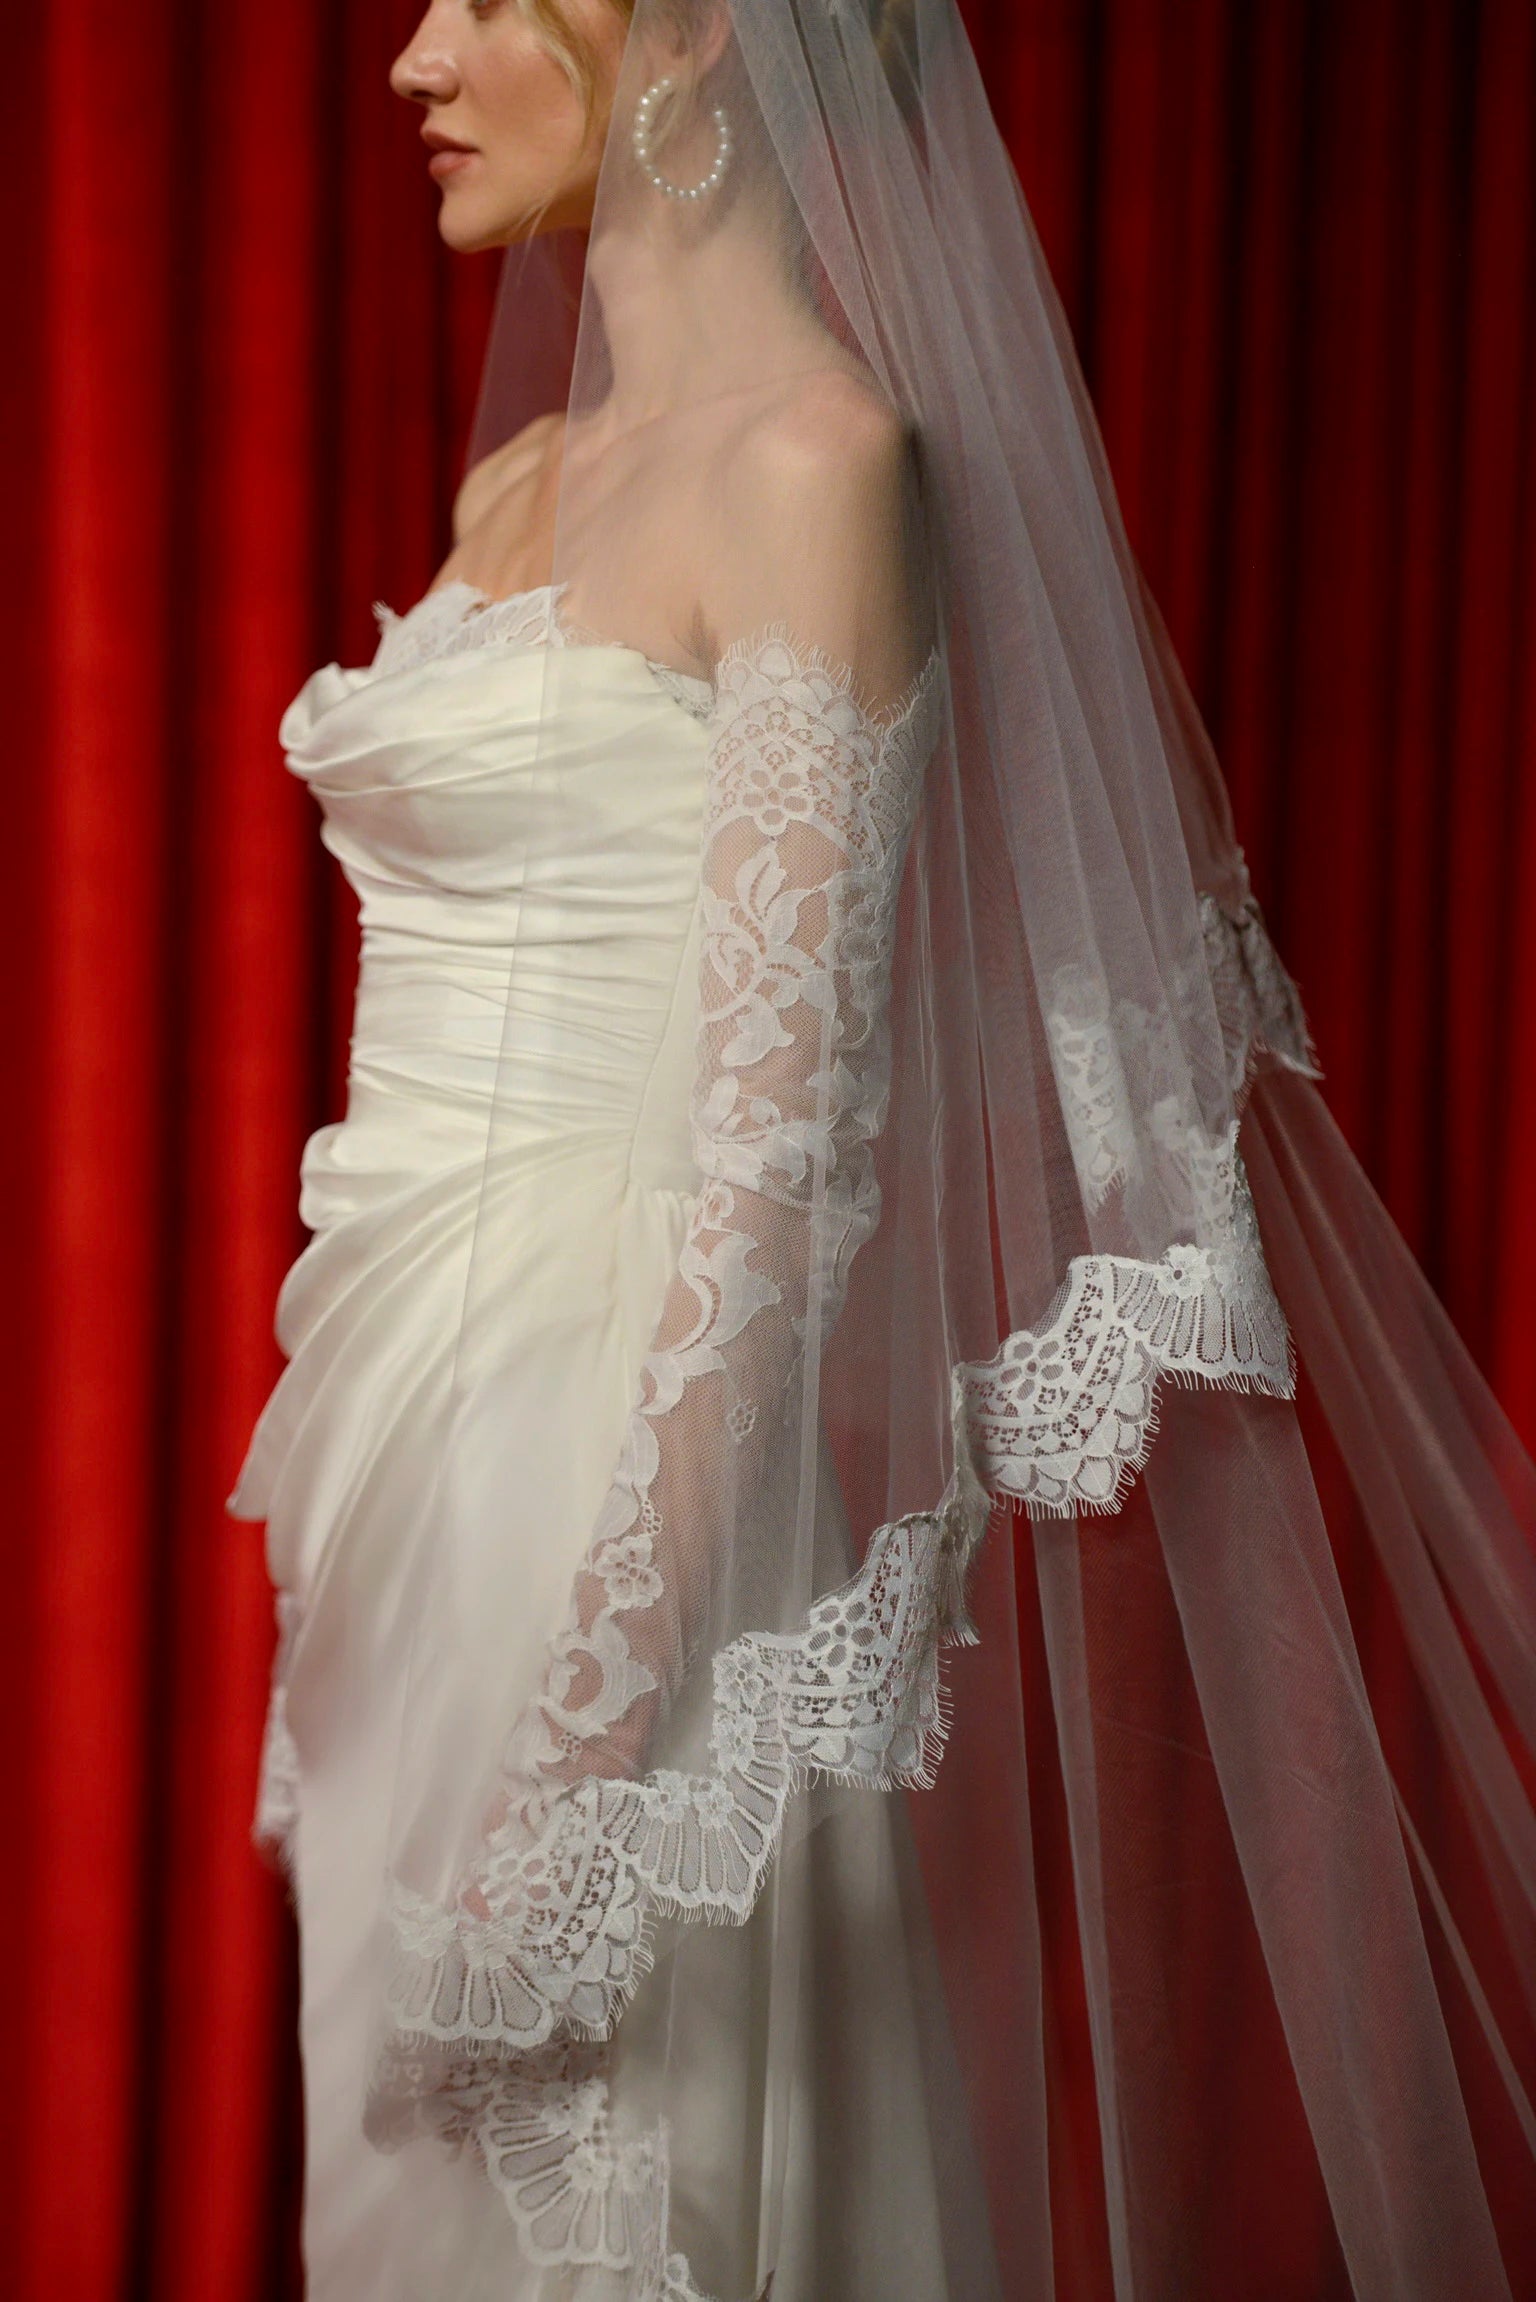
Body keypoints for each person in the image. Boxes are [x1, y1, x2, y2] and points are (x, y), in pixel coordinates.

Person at [230, 1, 1536, 2296]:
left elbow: (775, 1173)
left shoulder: (823, 469)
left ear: (687, 37)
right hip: (405, 1452)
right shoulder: (513, 487)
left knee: (588, 2193)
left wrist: (582, 1764)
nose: (417, 58)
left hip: (615, 1474)